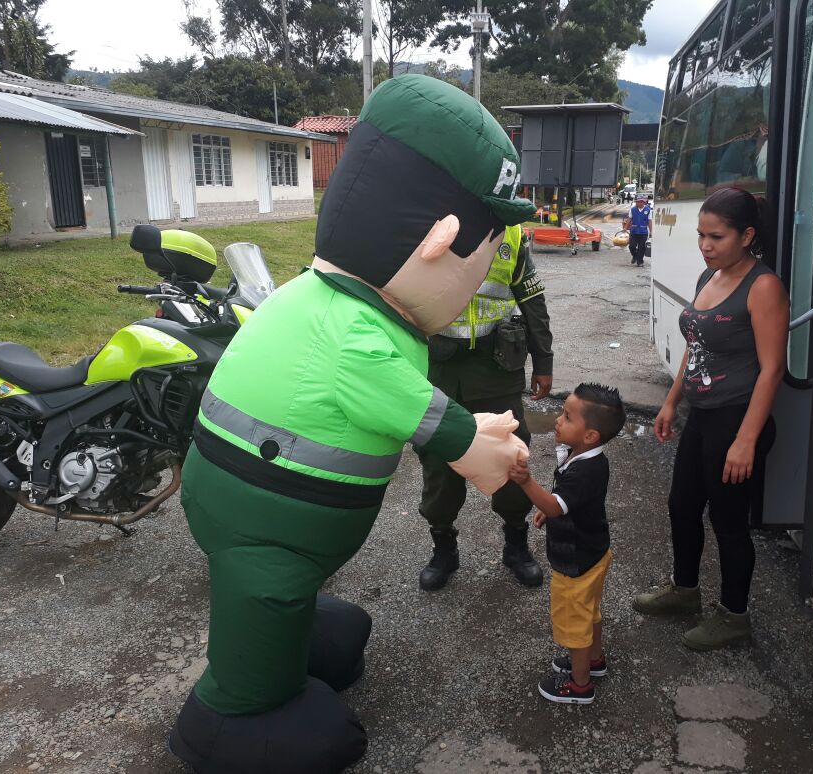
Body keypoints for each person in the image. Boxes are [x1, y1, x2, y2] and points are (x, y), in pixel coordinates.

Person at [168, 74, 536, 774]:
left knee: (293, 603)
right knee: (263, 592)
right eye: (483, 256)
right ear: (440, 241)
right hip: (260, 527)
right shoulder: (357, 335)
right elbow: (413, 409)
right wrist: (476, 447)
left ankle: (293, 635)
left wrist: (476, 426)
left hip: (254, 502)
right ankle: (229, 712)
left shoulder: (331, 298)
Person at [632, 186, 789, 651]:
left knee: (728, 521)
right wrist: (671, 400)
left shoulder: (763, 287)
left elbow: (772, 369)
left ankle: (733, 616)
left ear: (747, 236)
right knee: (681, 506)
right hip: (702, 415)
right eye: (701, 235)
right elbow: (695, 345)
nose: (705, 245)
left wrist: (746, 439)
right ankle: (685, 592)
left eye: (716, 237)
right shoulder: (708, 277)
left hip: (737, 419)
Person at [416, 224, 554, 590]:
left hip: (497, 367)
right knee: (438, 463)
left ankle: (516, 544)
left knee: (511, 455)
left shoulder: (511, 232)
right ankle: (443, 547)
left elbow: (532, 299)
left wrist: (544, 361)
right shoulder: (425, 222)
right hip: (439, 370)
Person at [509, 383, 625, 704]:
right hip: (594, 552)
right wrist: (553, 511)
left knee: (574, 623)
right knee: (590, 613)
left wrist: (527, 483)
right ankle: (594, 660)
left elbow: (558, 502)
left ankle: (579, 684)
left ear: (591, 436)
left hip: (575, 564)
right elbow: (567, 501)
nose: (558, 420)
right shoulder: (584, 456)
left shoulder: (585, 469)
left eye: (567, 417)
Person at [624, 194, 652, 266]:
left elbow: (649, 221)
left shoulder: (648, 210)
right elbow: (629, 219)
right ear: (636, 202)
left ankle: (640, 262)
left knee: (641, 247)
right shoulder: (632, 209)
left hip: (643, 232)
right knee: (631, 246)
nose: (640, 203)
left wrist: (651, 231)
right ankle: (635, 256)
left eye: (641, 202)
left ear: (644, 202)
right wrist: (625, 228)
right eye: (638, 202)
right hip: (634, 231)